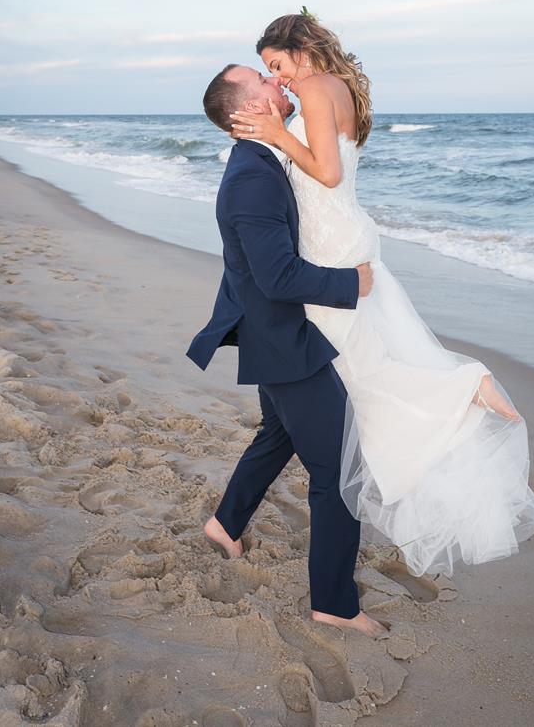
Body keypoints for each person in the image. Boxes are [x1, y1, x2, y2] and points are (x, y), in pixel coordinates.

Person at [229, 9, 534, 577]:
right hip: (338, 235)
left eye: (278, 65)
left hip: (328, 244)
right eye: (269, 72)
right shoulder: (337, 87)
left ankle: (464, 384)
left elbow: (325, 174)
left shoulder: (320, 86)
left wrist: (276, 134)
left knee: (354, 373)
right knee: (348, 368)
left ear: (301, 49)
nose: (281, 79)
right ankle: (228, 521)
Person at [186, 63, 387, 638]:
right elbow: (276, 276)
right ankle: (335, 603)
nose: (282, 86)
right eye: (267, 83)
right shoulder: (252, 176)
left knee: (277, 436)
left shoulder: (258, 162)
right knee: (337, 472)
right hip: (283, 340)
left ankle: (226, 525)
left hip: (269, 330)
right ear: (247, 111)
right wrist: (352, 283)